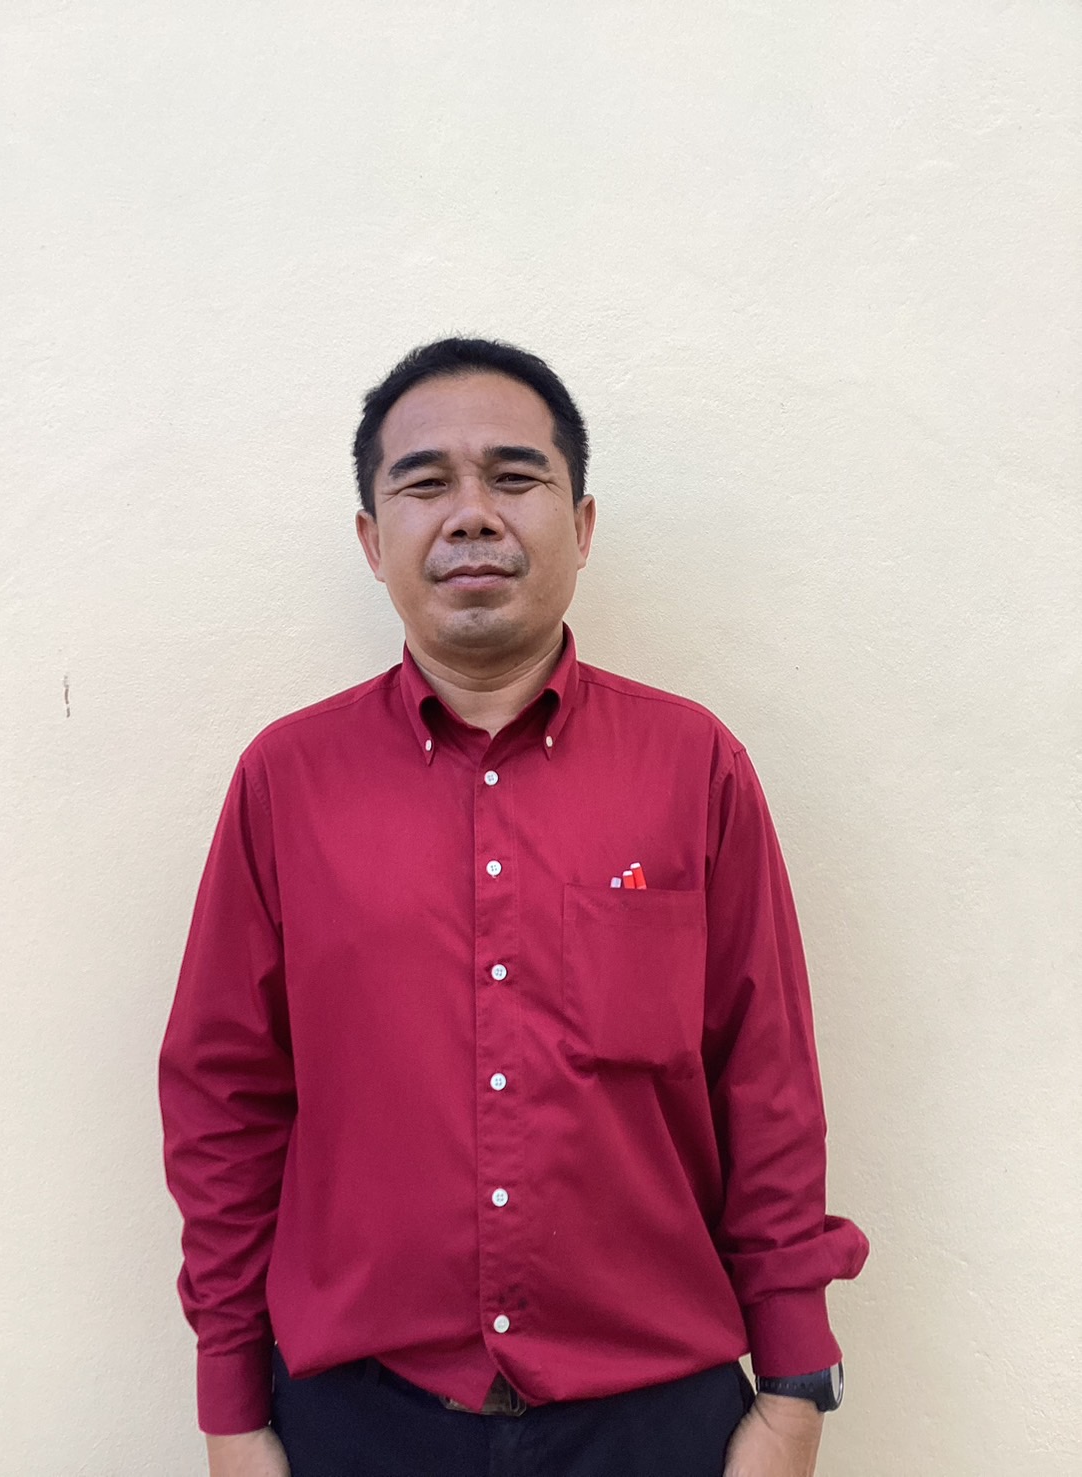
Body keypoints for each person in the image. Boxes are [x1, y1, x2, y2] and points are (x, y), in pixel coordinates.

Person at [159, 338, 868, 1477]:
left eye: (514, 476)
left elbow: (767, 1081)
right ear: (372, 539)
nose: (473, 514)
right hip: (358, 1417)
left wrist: (794, 1391)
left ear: (580, 527)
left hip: (653, 1416)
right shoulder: (286, 783)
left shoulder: (693, 767)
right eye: (425, 483)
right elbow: (224, 1101)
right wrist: (231, 1410)